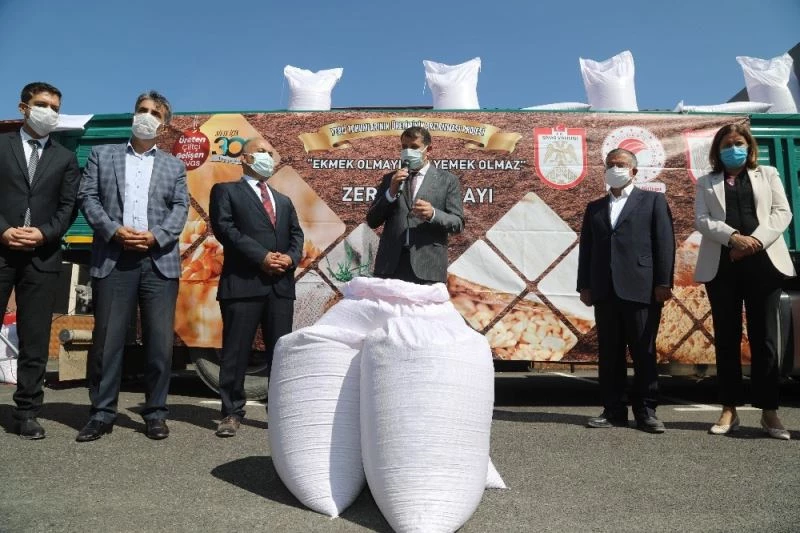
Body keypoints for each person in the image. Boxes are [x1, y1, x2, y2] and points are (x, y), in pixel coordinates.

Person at [77, 91, 188, 441]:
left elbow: (180, 208)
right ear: (133, 113)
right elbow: (87, 197)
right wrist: (113, 231)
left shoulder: (175, 165)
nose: (147, 116)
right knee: (107, 342)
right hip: (114, 257)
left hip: (159, 261)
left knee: (159, 344)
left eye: (155, 113)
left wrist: (157, 236)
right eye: (142, 109)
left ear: (164, 125)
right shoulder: (102, 154)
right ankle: (101, 413)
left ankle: (155, 413)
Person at [694, 123, 794, 440]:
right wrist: (733, 239)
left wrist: (755, 242)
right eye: (727, 144)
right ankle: (729, 408)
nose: (733, 149)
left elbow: (782, 212)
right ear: (717, 150)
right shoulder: (706, 181)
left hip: (764, 264)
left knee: (765, 340)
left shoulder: (768, 174)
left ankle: (769, 411)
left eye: (739, 143)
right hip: (722, 267)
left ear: (749, 147)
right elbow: (702, 220)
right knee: (727, 338)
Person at [0, 82, 80, 439]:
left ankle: (27, 411)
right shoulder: (1, 145)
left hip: (42, 257)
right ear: (23, 108)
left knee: (34, 340)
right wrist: (4, 230)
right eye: (42, 104)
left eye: (55, 107)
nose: (49, 111)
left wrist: (45, 233)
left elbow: (68, 206)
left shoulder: (65, 158)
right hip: (2, 249)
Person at [209, 138, 303, 437]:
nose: (268, 157)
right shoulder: (225, 191)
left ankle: (278, 414)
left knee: (280, 354)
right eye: (262, 152)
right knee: (236, 352)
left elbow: (296, 235)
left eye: (271, 153)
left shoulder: (283, 200)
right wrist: (261, 257)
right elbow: (225, 229)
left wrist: (289, 258)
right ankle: (231, 412)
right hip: (243, 284)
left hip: (280, 286)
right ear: (245, 158)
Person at [577, 148, 675, 433]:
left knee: (643, 351)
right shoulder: (595, 207)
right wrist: (585, 285)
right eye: (610, 165)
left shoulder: (652, 201)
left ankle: (646, 411)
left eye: (620, 164)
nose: (614, 169)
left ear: (634, 171)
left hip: (642, 288)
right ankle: (613, 410)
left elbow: (664, 243)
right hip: (605, 290)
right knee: (610, 353)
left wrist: (663, 282)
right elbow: (587, 249)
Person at [366, 126, 464, 284]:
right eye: (404, 147)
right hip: (390, 265)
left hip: (428, 266)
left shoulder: (447, 180)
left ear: (428, 149)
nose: (408, 151)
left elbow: (457, 223)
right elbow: (372, 221)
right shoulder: (390, 179)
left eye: (414, 147)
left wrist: (433, 214)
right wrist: (390, 193)